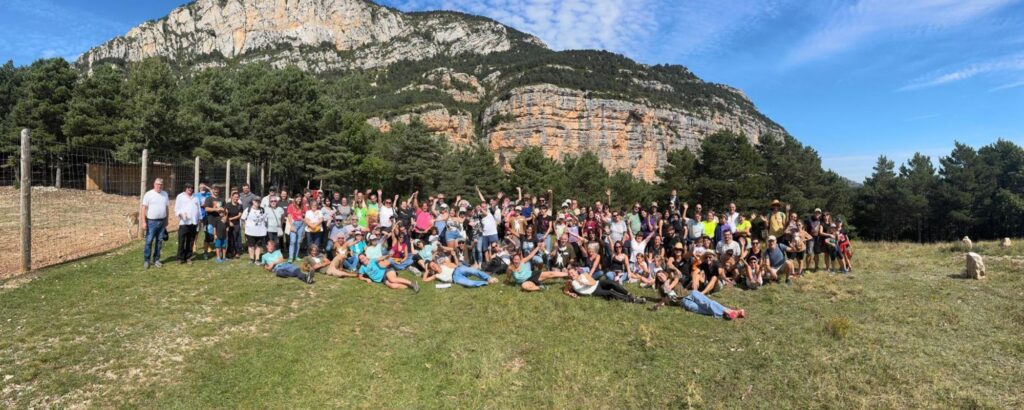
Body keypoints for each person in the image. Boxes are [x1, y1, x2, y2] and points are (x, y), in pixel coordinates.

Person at [563, 265, 646, 304]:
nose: (571, 274)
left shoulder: (583, 274)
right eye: (569, 274)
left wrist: (585, 282)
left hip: (597, 284)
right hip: (593, 291)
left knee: (612, 283)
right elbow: (565, 290)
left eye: (572, 273)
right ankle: (633, 300)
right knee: (610, 293)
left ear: (576, 272)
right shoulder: (570, 282)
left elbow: (593, 282)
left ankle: (629, 294)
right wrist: (571, 294)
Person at [141, 178, 170, 269]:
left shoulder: (165, 194)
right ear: (154, 184)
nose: (159, 186)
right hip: (151, 222)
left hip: (162, 222)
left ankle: (156, 259)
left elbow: (167, 208)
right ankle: (147, 260)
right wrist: (143, 221)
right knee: (149, 241)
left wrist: (167, 219)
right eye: (157, 184)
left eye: (161, 184)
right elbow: (143, 208)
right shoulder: (149, 194)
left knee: (159, 242)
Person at [421, 254, 499, 288]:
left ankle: (489, 278)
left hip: (458, 270)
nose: (434, 266)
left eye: (433, 264)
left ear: (435, 263)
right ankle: (487, 283)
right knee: (469, 283)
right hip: (455, 278)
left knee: (473, 271)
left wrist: (463, 268)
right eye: (432, 267)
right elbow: (424, 280)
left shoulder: (443, 264)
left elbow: (455, 265)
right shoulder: (436, 276)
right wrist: (427, 270)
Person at [174, 183, 199, 265]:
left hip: (193, 222)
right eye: (188, 187)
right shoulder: (180, 196)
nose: (190, 189)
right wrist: (181, 214)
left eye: (191, 188)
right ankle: (180, 258)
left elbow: (198, 210)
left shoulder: (195, 198)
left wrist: (199, 220)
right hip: (184, 223)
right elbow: (176, 209)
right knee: (181, 241)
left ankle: (188, 257)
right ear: (185, 188)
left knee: (191, 241)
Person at [241, 199, 268, 264]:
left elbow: (266, 220)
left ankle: (257, 259)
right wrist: (244, 227)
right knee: (251, 245)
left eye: (259, 201)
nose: (257, 202)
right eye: (256, 201)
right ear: (253, 201)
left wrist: (265, 228)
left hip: (260, 232)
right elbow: (242, 219)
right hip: (250, 232)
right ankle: (251, 258)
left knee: (258, 246)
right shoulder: (248, 209)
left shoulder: (263, 210)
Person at [203, 185, 225, 260]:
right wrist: (216, 209)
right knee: (208, 237)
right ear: (212, 190)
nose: (216, 190)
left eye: (217, 189)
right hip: (210, 220)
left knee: (219, 237)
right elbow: (206, 209)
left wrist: (223, 210)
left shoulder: (221, 199)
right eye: (214, 189)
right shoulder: (208, 199)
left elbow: (225, 209)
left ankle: (218, 252)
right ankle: (205, 252)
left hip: (220, 221)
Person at [224, 192, 243, 259]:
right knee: (230, 238)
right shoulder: (228, 205)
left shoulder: (240, 206)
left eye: (237, 197)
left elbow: (239, 215)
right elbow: (225, 215)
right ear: (231, 197)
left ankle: (237, 252)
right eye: (235, 197)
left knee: (237, 238)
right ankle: (229, 252)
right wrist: (229, 222)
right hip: (229, 224)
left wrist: (230, 218)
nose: (236, 198)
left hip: (236, 224)